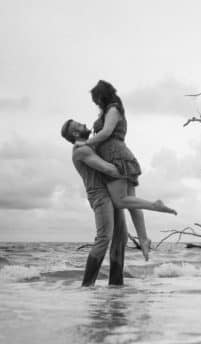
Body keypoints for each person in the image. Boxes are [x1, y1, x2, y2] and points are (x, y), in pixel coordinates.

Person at [78, 80, 176, 260]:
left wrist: (87, 142)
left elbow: (107, 132)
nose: (96, 104)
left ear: (101, 96)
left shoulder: (113, 109)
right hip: (118, 156)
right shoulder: (111, 110)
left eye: (96, 100)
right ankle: (144, 239)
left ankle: (155, 205)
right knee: (132, 203)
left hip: (117, 157)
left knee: (121, 201)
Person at [60, 119, 127, 286]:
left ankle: (116, 286)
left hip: (111, 192)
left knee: (121, 238)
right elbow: (107, 168)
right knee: (104, 237)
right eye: (79, 125)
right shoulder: (81, 150)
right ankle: (87, 286)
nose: (83, 123)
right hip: (100, 195)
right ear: (75, 133)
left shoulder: (92, 145)